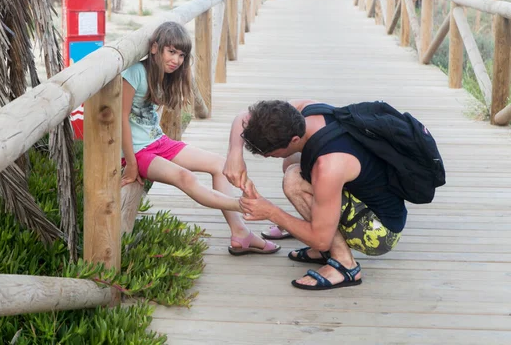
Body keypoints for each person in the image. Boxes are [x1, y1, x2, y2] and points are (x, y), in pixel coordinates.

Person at [120, 21, 279, 256]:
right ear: (154, 48)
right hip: (137, 153)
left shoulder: (166, 75)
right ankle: (244, 206)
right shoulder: (134, 73)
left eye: (181, 55)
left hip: (158, 142)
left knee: (219, 164)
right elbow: (121, 118)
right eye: (171, 52)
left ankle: (241, 232)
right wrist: (132, 163)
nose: (176, 60)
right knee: (185, 177)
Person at [223, 99, 407, 290]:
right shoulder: (305, 112)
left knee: (294, 180)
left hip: (379, 231)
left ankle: (345, 265)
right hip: (367, 193)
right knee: (292, 162)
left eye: (269, 154)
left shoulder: (329, 166)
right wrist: (234, 154)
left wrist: (271, 212)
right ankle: (324, 250)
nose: (266, 156)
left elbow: (321, 239)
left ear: (294, 140)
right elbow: (243, 117)